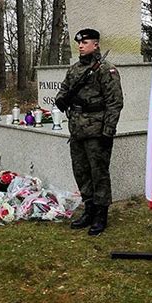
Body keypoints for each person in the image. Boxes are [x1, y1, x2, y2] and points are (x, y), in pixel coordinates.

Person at [55, 29, 123, 235]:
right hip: (77, 131)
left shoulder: (106, 70)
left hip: (97, 131)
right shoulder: (75, 69)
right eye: (79, 43)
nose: (81, 45)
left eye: (85, 42)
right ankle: (89, 209)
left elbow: (115, 102)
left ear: (96, 44)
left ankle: (101, 215)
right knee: (82, 172)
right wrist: (61, 99)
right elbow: (64, 89)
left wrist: (108, 131)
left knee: (99, 174)